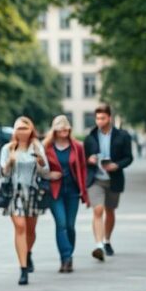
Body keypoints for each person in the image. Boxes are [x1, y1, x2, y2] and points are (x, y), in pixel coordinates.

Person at [0, 117, 50, 285]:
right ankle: (23, 269)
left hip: (33, 191)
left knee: (30, 230)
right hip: (15, 192)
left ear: (31, 130)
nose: (22, 132)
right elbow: (3, 173)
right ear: (15, 130)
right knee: (20, 227)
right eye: (19, 128)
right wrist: (10, 162)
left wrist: (41, 161)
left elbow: (45, 171)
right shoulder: (8, 149)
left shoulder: (36, 147)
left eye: (25, 128)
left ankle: (27, 253)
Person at [84, 103, 134, 260]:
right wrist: (89, 160)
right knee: (98, 210)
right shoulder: (90, 137)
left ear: (110, 118)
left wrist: (116, 165)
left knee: (110, 211)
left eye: (103, 118)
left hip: (114, 179)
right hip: (96, 179)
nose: (99, 121)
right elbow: (83, 159)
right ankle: (98, 245)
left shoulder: (123, 136)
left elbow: (129, 157)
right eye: (97, 118)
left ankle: (107, 240)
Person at [43, 115, 89, 273]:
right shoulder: (46, 147)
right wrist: (49, 175)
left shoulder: (78, 147)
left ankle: (68, 255)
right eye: (60, 127)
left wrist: (84, 190)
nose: (63, 130)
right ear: (54, 130)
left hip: (73, 191)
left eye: (66, 127)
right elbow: (39, 169)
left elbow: (83, 168)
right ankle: (66, 258)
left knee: (70, 226)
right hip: (55, 192)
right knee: (61, 224)